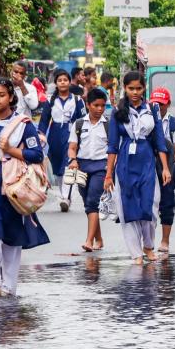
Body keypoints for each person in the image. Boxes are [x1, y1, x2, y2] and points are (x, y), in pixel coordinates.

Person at [0, 78, 50, 296]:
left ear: (10, 97)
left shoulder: (23, 124)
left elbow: (36, 154)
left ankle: (9, 286)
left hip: (14, 183)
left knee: (12, 233)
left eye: (1, 95)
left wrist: (10, 150)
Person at [104, 72, 171, 265]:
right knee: (128, 208)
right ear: (125, 88)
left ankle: (148, 245)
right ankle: (136, 253)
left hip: (147, 160)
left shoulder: (153, 109)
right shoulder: (117, 110)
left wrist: (165, 168)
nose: (135, 92)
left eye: (138, 88)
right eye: (131, 88)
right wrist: (108, 174)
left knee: (150, 206)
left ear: (144, 89)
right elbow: (112, 145)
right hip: (125, 162)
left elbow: (159, 140)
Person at [67, 88, 110, 252]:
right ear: (88, 105)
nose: (99, 109)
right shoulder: (78, 124)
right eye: (96, 105)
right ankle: (99, 238)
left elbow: (113, 151)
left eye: (103, 106)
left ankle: (89, 240)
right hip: (81, 167)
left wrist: (110, 172)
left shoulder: (108, 125)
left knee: (93, 201)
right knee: (88, 204)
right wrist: (73, 160)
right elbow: (72, 147)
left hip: (101, 167)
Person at [39, 68, 87, 212]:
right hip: (54, 134)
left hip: (71, 133)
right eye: (60, 80)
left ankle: (65, 196)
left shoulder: (77, 100)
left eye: (65, 80)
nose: (63, 82)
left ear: (69, 82)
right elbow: (44, 120)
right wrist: (41, 134)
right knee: (57, 165)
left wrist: (82, 136)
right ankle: (64, 195)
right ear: (56, 83)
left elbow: (83, 119)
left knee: (67, 163)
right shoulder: (50, 100)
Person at [149, 87, 175, 254]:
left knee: (166, 204)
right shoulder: (147, 120)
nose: (158, 107)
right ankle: (147, 240)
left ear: (168, 104)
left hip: (168, 167)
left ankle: (165, 240)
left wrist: (167, 163)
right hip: (148, 165)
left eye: (161, 104)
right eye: (155, 103)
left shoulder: (173, 123)